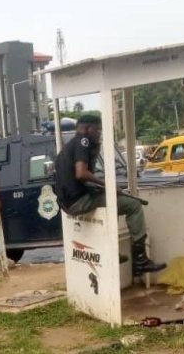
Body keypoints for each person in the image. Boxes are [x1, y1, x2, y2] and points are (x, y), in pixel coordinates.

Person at [54, 114, 166, 277]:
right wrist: (109, 186)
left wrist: (104, 189)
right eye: (98, 129)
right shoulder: (83, 142)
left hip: (69, 202)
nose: (99, 133)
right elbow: (81, 173)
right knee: (133, 206)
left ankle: (111, 251)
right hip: (79, 201)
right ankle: (140, 260)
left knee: (112, 205)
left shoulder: (68, 146)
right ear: (88, 129)